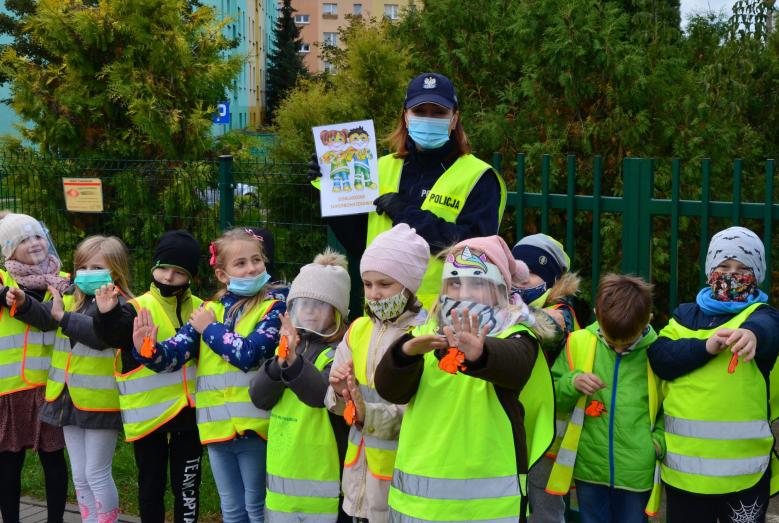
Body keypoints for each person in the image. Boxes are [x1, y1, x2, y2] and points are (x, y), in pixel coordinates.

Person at [374, 235, 555, 523]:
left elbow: (515, 365)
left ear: (501, 290)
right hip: (418, 507)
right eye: (455, 283)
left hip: (488, 510)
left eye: (478, 284)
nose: (464, 293)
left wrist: (481, 355)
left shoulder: (517, 335)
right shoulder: (426, 333)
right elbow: (390, 389)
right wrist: (405, 353)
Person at [309, 72, 507, 309]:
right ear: (406, 116)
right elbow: (359, 243)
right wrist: (329, 189)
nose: (428, 119)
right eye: (420, 112)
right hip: (382, 314)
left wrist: (407, 215)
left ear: (454, 119)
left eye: (439, 113)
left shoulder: (479, 177)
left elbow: (475, 255)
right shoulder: (379, 168)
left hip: (444, 318)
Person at [131, 227, 285, 523]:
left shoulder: (274, 308)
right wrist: (148, 349)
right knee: (231, 509)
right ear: (222, 275)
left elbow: (249, 354)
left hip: (255, 429)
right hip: (216, 429)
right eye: (240, 263)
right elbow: (174, 355)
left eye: (256, 260)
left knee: (256, 507)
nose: (251, 267)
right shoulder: (208, 309)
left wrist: (210, 329)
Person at [647, 226, 779, 522]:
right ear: (710, 271)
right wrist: (706, 347)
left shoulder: (762, 315)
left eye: (743, 268)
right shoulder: (684, 316)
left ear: (756, 275)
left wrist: (752, 335)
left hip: (743, 473)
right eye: (724, 266)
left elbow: (769, 330)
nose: (732, 275)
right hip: (685, 474)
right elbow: (661, 357)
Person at [7, 235, 132, 523]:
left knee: (96, 472)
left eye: (97, 267)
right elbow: (48, 317)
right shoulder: (71, 298)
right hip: (67, 399)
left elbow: (100, 336)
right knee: (79, 473)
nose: (87, 273)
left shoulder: (120, 305)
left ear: (116, 270)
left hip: (101, 403)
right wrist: (26, 303)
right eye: (83, 267)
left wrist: (63, 318)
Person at [93, 229, 204, 523]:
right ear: (154, 267)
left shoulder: (205, 308)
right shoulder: (137, 307)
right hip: (150, 417)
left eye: (178, 272)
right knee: (151, 486)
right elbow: (116, 334)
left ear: (191, 275)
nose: (168, 277)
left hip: (190, 415)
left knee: (188, 488)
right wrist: (106, 315)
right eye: (163, 268)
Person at [324, 223, 430, 523]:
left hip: (400, 477)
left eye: (385, 284)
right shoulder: (358, 330)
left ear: (410, 286)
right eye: (368, 284)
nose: (375, 294)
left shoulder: (422, 337)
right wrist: (339, 393)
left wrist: (365, 413)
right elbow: (338, 402)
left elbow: (420, 412)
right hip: (357, 477)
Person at [545, 274, 663, 523]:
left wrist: (656, 444)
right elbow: (552, 395)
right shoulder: (577, 342)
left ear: (647, 321)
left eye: (628, 343)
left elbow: (670, 407)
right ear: (598, 314)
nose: (620, 350)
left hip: (637, 470)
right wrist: (572, 382)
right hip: (589, 467)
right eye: (612, 342)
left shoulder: (659, 351)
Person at [249, 248, 352, 522]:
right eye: (301, 304)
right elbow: (259, 398)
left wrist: (292, 361)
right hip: (283, 482)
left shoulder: (339, 351)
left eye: (319, 305)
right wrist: (278, 363)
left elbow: (320, 395)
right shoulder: (289, 347)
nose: (308, 311)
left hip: (326, 484)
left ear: (337, 313)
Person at [0, 212, 69, 523]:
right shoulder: (4, 282)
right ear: (7, 250)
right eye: (23, 240)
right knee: (8, 464)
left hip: (51, 388)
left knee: (53, 460)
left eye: (38, 236)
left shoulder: (64, 280)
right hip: (10, 391)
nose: (35, 244)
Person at [511, 233, 581, 523]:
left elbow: (547, 329)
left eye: (532, 272)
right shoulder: (511, 305)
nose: (522, 279)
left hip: (546, 435)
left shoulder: (560, 313)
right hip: (518, 427)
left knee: (544, 512)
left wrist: (509, 313)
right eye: (517, 271)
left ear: (553, 280)